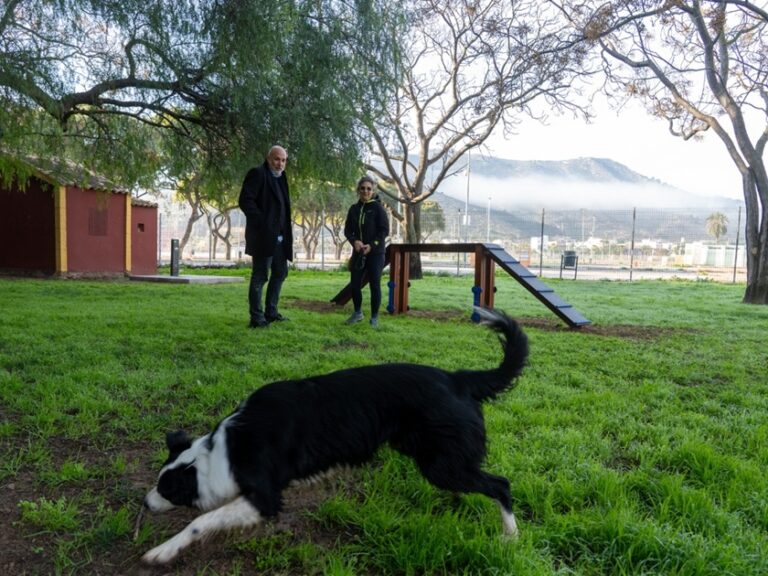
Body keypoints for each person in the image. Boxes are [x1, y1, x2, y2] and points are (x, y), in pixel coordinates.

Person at [239, 145, 293, 328]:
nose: (280, 164)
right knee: (260, 276)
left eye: (284, 160)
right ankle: (257, 318)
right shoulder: (258, 174)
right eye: (277, 159)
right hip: (263, 236)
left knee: (280, 272)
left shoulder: (281, 178)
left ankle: (271, 312)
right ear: (268, 158)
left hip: (280, 238)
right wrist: (263, 222)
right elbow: (245, 200)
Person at [343, 175, 389, 327]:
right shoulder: (353, 209)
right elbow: (348, 230)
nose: (365, 191)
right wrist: (354, 241)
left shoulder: (378, 208)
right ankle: (357, 313)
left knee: (374, 284)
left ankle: (374, 317)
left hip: (375, 253)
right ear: (358, 190)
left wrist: (372, 245)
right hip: (358, 252)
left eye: (369, 189)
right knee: (355, 284)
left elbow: (384, 231)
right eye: (362, 188)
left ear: (373, 190)